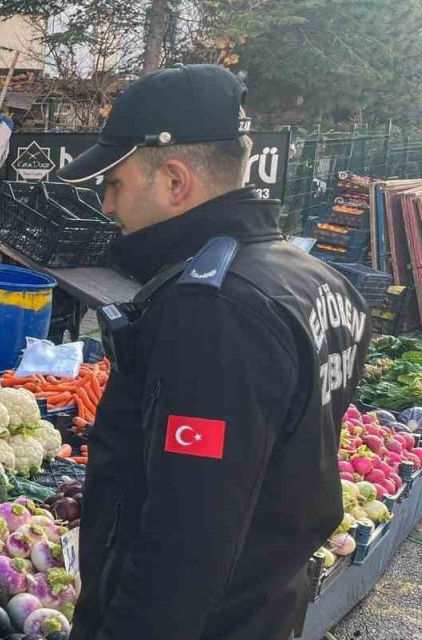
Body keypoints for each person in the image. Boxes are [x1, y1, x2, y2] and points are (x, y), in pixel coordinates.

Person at [58, 64, 371, 640]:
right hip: (268, 607)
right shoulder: (316, 280)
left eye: (115, 184)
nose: (107, 205)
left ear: (174, 182)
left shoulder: (217, 311)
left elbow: (185, 541)